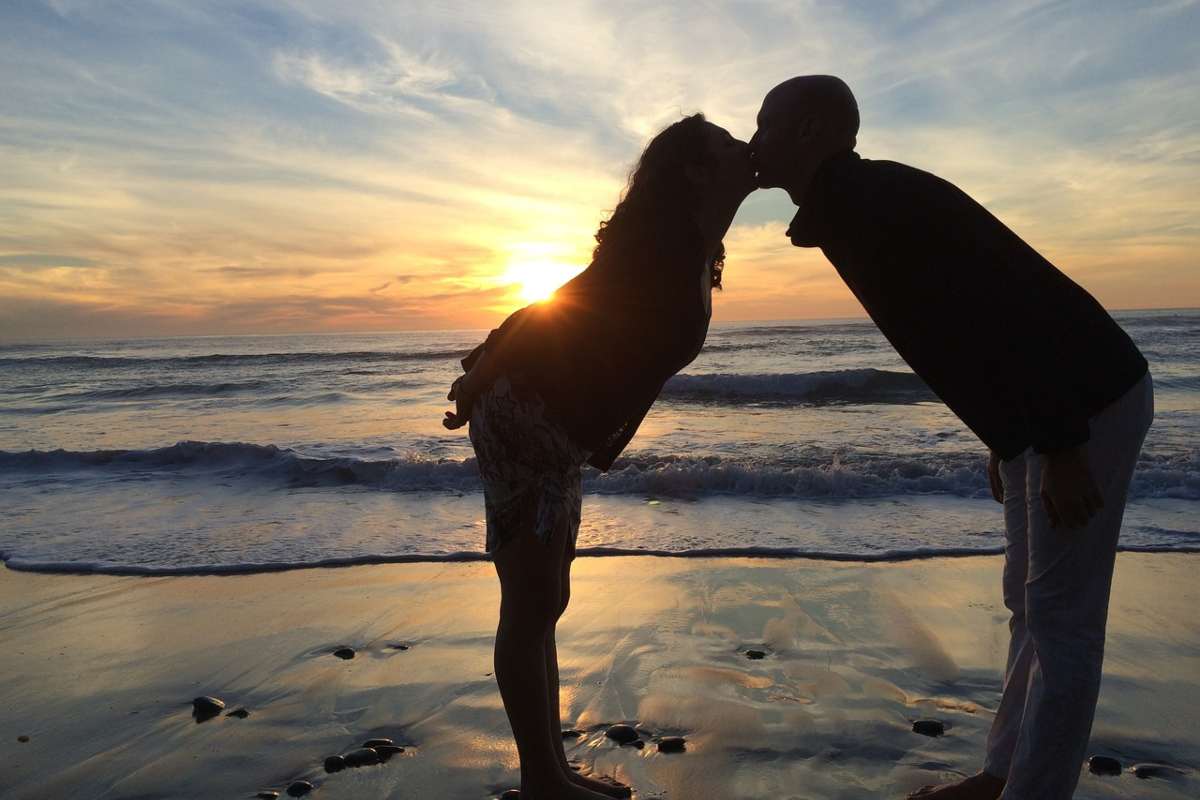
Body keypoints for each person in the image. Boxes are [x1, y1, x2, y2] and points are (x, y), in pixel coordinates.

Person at [750, 76, 1152, 800]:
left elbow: (1011, 310)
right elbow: (958, 341)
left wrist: (1059, 445)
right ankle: (1005, 773)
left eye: (766, 125)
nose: (755, 141)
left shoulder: (874, 204)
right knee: (1028, 604)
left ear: (810, 131)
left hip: (1090, 401)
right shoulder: (847, 207)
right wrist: (1006, 438)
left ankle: (1034, 789)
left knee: (1064, 620)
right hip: (1047, 413)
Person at [444, 113, 755, 800]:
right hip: (523, 414)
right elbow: (553, 308)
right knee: (529, 603)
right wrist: (478, 377)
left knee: (547, 597)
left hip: (555, 426)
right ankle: (541, 784)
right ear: (698, 170)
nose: (746, 149)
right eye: (730, 143)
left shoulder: (696, 248)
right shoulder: (662, 246)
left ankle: (551, 773)